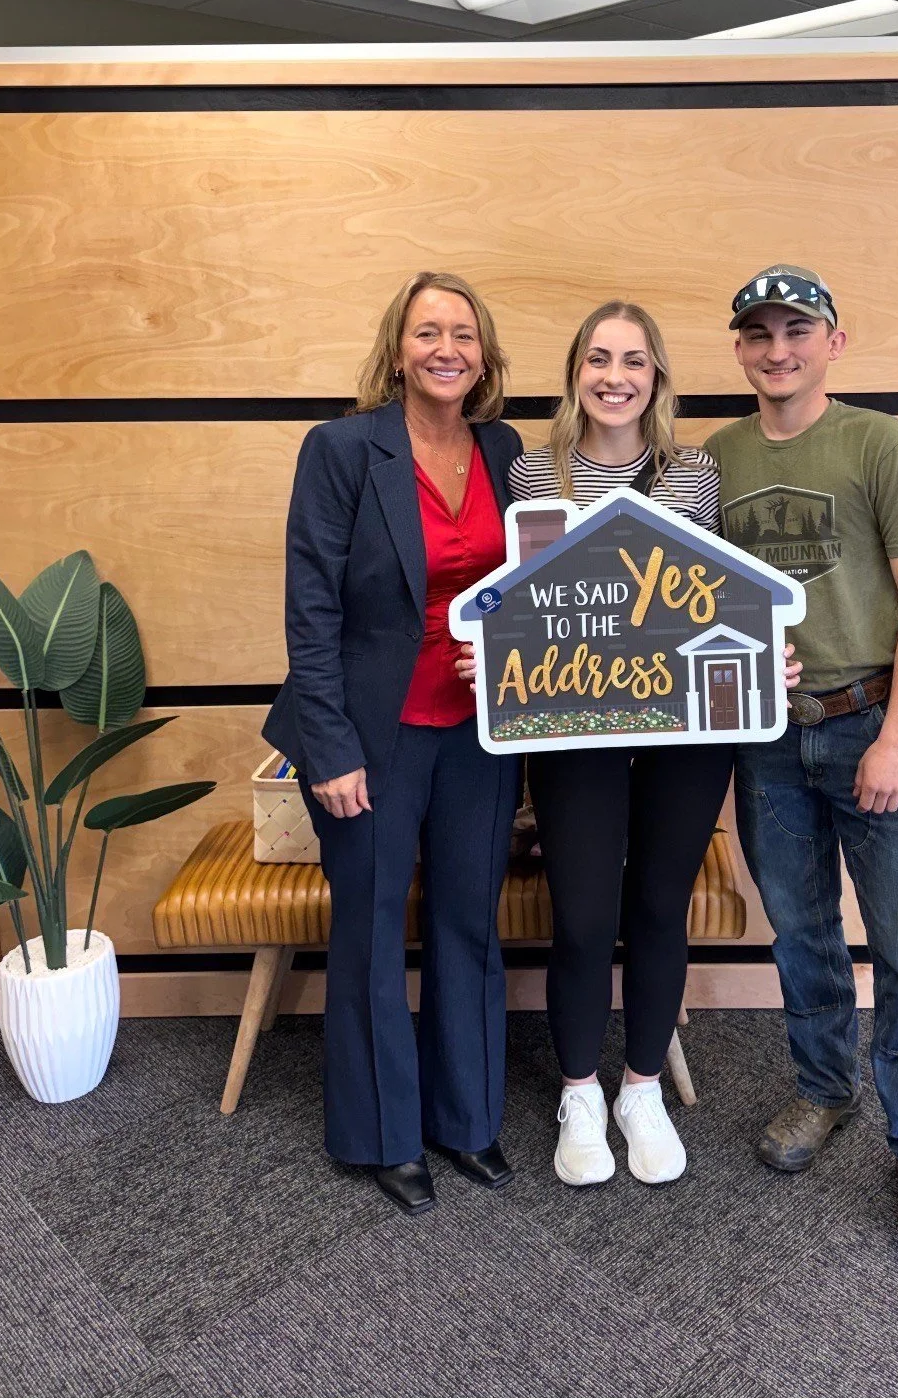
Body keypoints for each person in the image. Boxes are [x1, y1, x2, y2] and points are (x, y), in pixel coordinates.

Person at [706, 264, 898, 1258]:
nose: (778, 350)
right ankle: (824, 1086)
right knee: (802, 934)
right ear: (740, 349)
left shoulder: (880, 443)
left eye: (797, 330)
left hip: (869, 723)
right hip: (769, 737)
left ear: (834, 343)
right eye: (759, 333)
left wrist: (897, 735)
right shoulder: (716, 460)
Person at [485, 302, 764, 1188]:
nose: (616, 376)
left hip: (684, 731)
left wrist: (769, 649)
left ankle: (640, 1087)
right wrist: (486, 646)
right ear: (577, 372)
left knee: (657, 907)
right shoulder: (534, 473)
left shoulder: (696, 473)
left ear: (656, 376)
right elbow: (519, 599)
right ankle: (578, 1091)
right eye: (599, 358)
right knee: (582, 915)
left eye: (634, 360)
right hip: (575, 730)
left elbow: (721, 594)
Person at [263, 271, 523, 1217]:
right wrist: (328, 750)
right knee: (372, 929)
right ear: (398, 350)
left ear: (483, 356)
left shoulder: (505, 449)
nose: (447, 348)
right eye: (428, 332)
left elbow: (529, 585)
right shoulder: (341, 449)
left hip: (479, 730)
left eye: (463, 333)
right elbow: (311, 608)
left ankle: (467, 1118)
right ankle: (382, 1134)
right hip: (369, 733)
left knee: (468, 920)